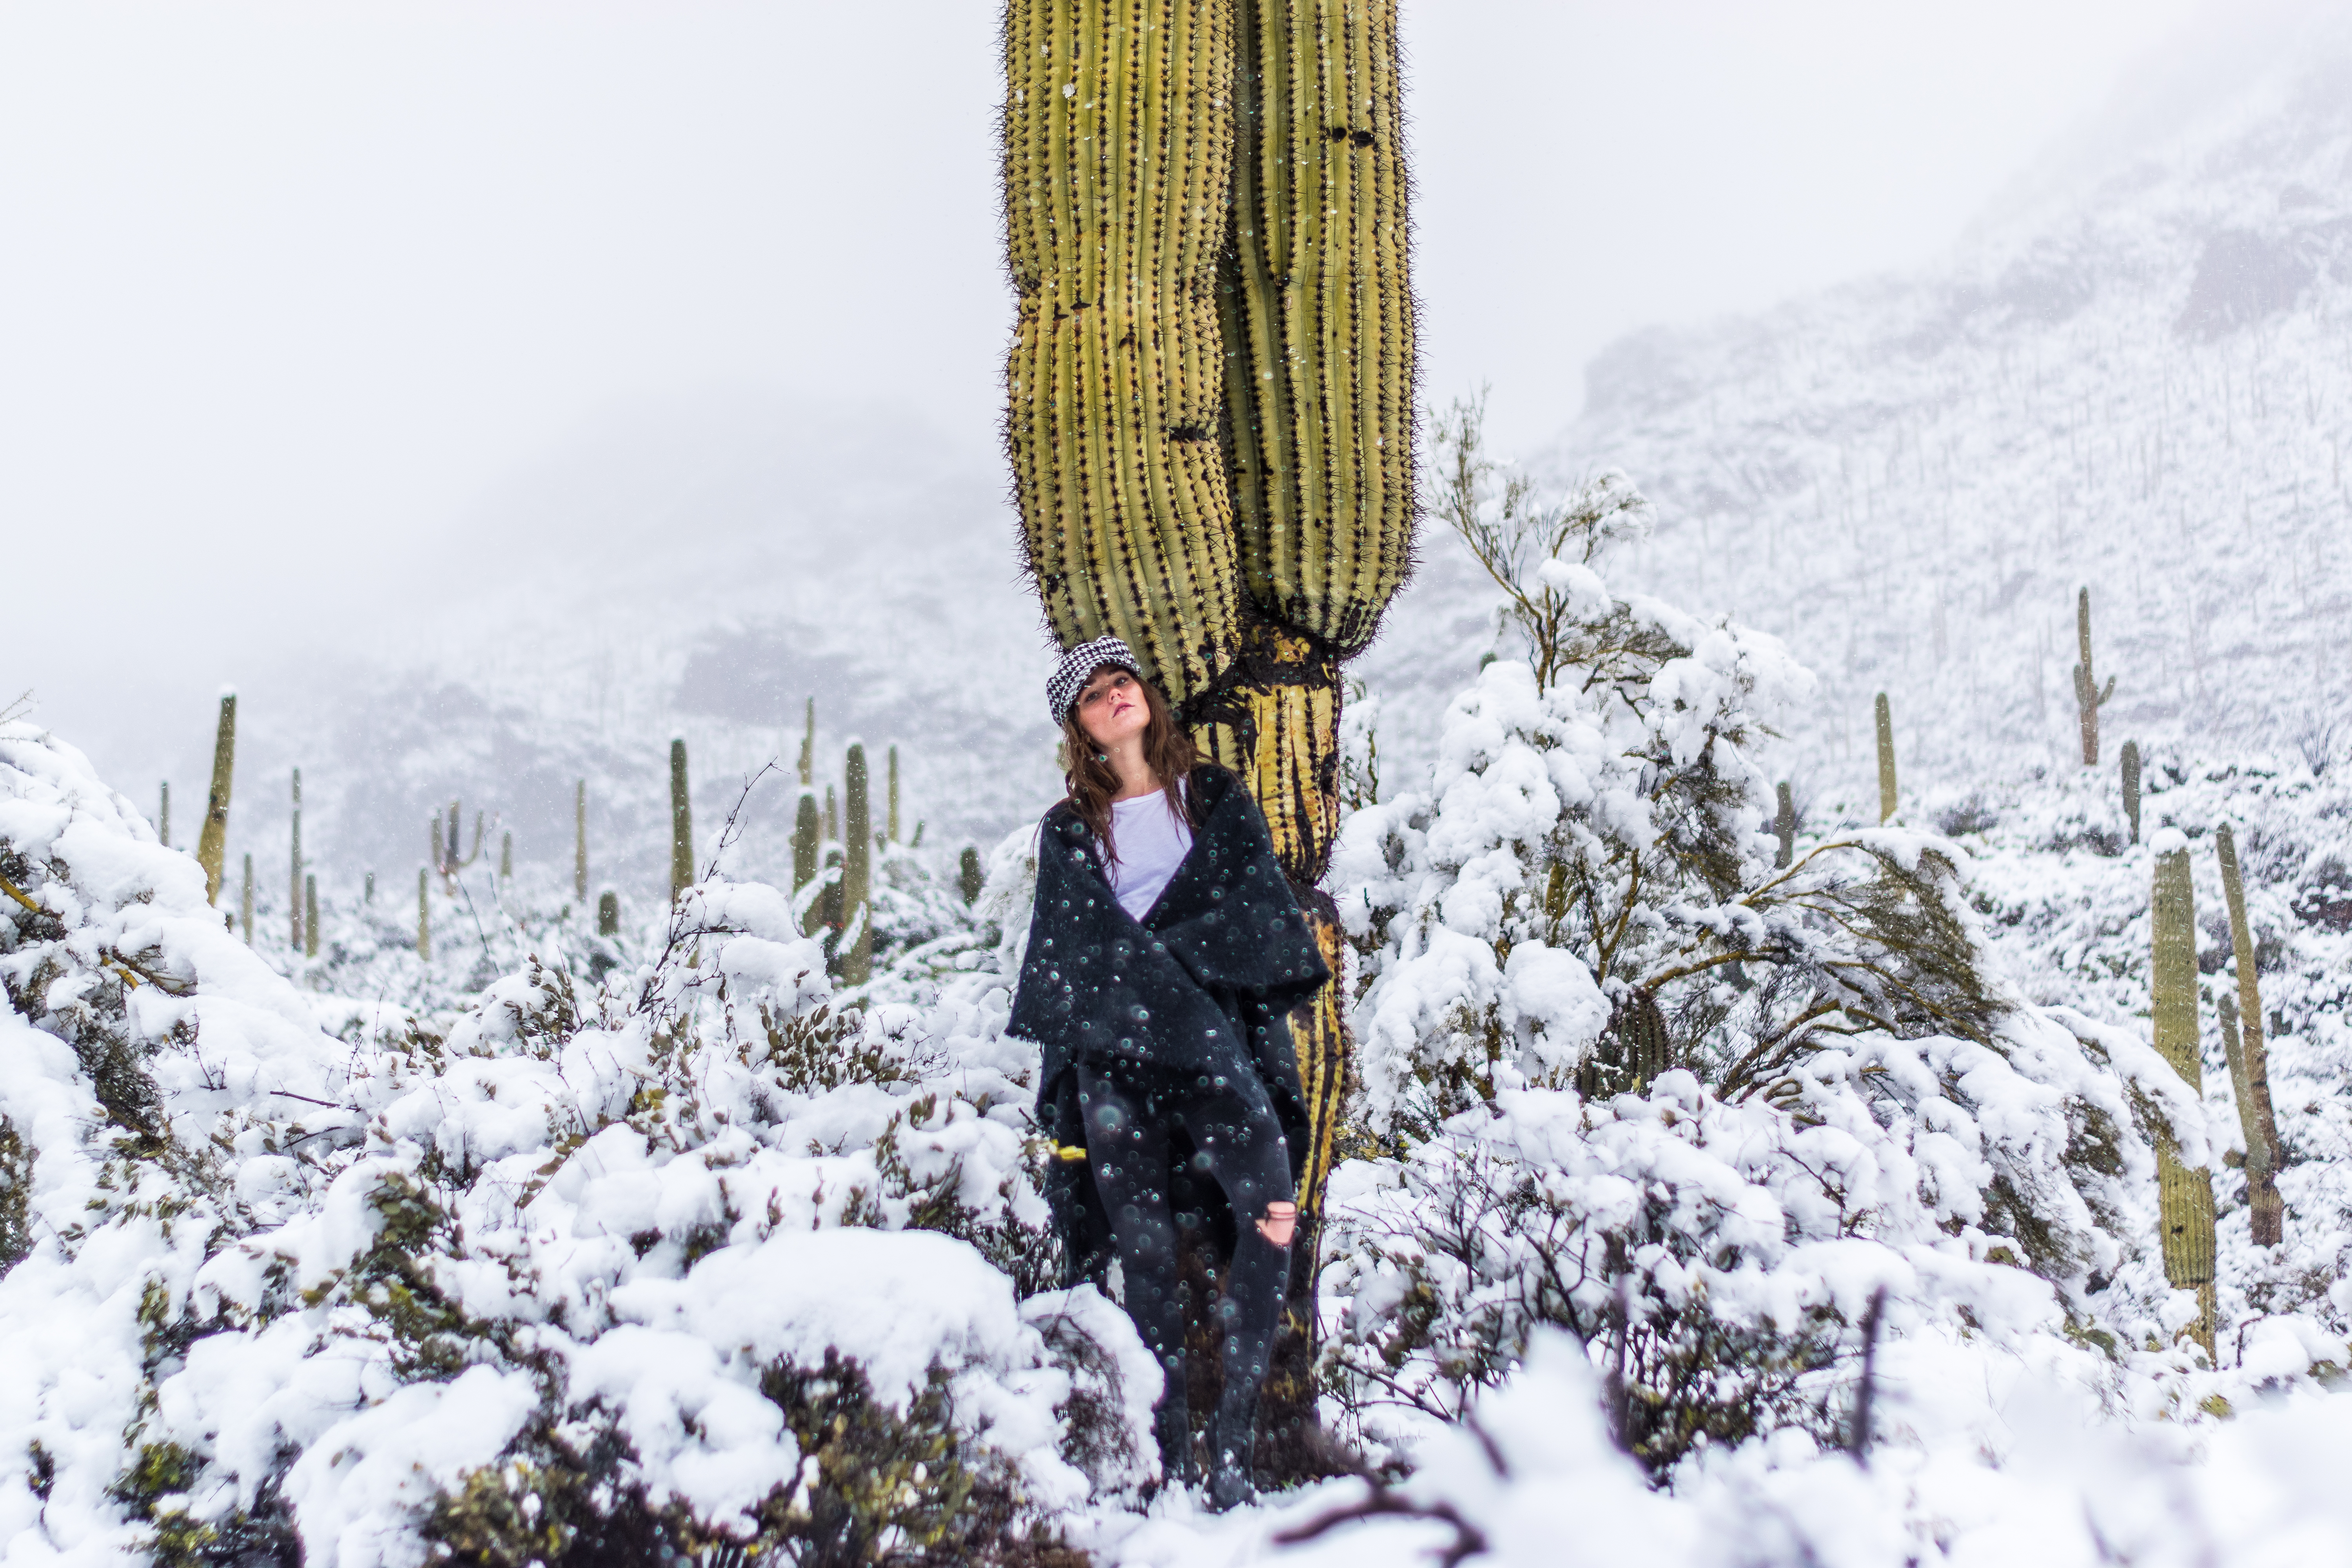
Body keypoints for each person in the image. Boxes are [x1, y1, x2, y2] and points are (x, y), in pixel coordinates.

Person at [1008, 635, 1329, 1510]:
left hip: (1218, 1045)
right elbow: (1074, 952)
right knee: (1144, 1251)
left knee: (1268, 1212)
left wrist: (1166, 968)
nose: (1116, 697)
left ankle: (1233, 1448)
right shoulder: (1070, 829)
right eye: (1094, 694)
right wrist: (1156, 976)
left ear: (1145, 693)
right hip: (1119, 1057)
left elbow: (1251, 913)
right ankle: (1173, 1454)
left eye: (1124, 682)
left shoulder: (1214, 799)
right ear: (1078, 726)